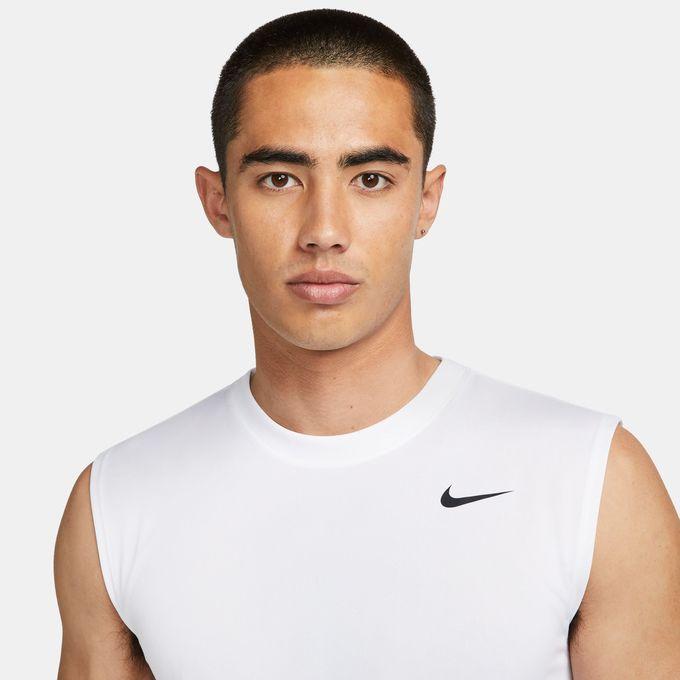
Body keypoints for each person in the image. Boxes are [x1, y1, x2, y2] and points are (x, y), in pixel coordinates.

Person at [54, 9, 680, 679]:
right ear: (218, 202)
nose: (324, 230)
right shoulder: (117, 505)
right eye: (279, 178)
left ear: (426, 200)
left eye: (371, 178)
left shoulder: (592, 480)